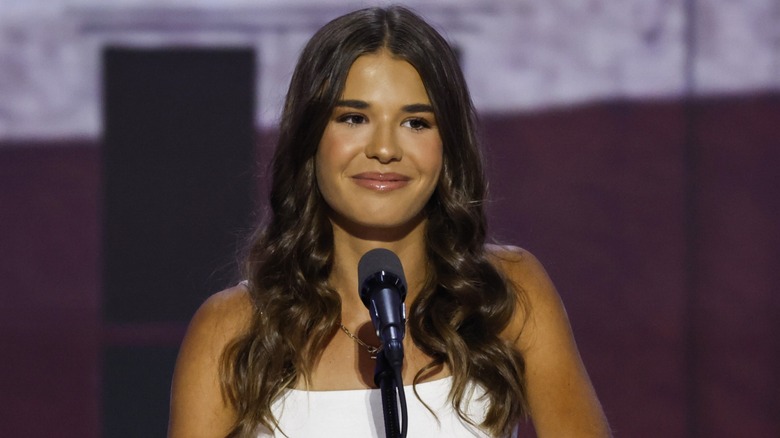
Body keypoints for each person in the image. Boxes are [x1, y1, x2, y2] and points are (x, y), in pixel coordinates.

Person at [168, 5, 611, 438]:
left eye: (416, 122)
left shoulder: (504, 293)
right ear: (311, 139)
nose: (384, 148)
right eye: (354, 118)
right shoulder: (233, 329)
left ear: (448, 145)